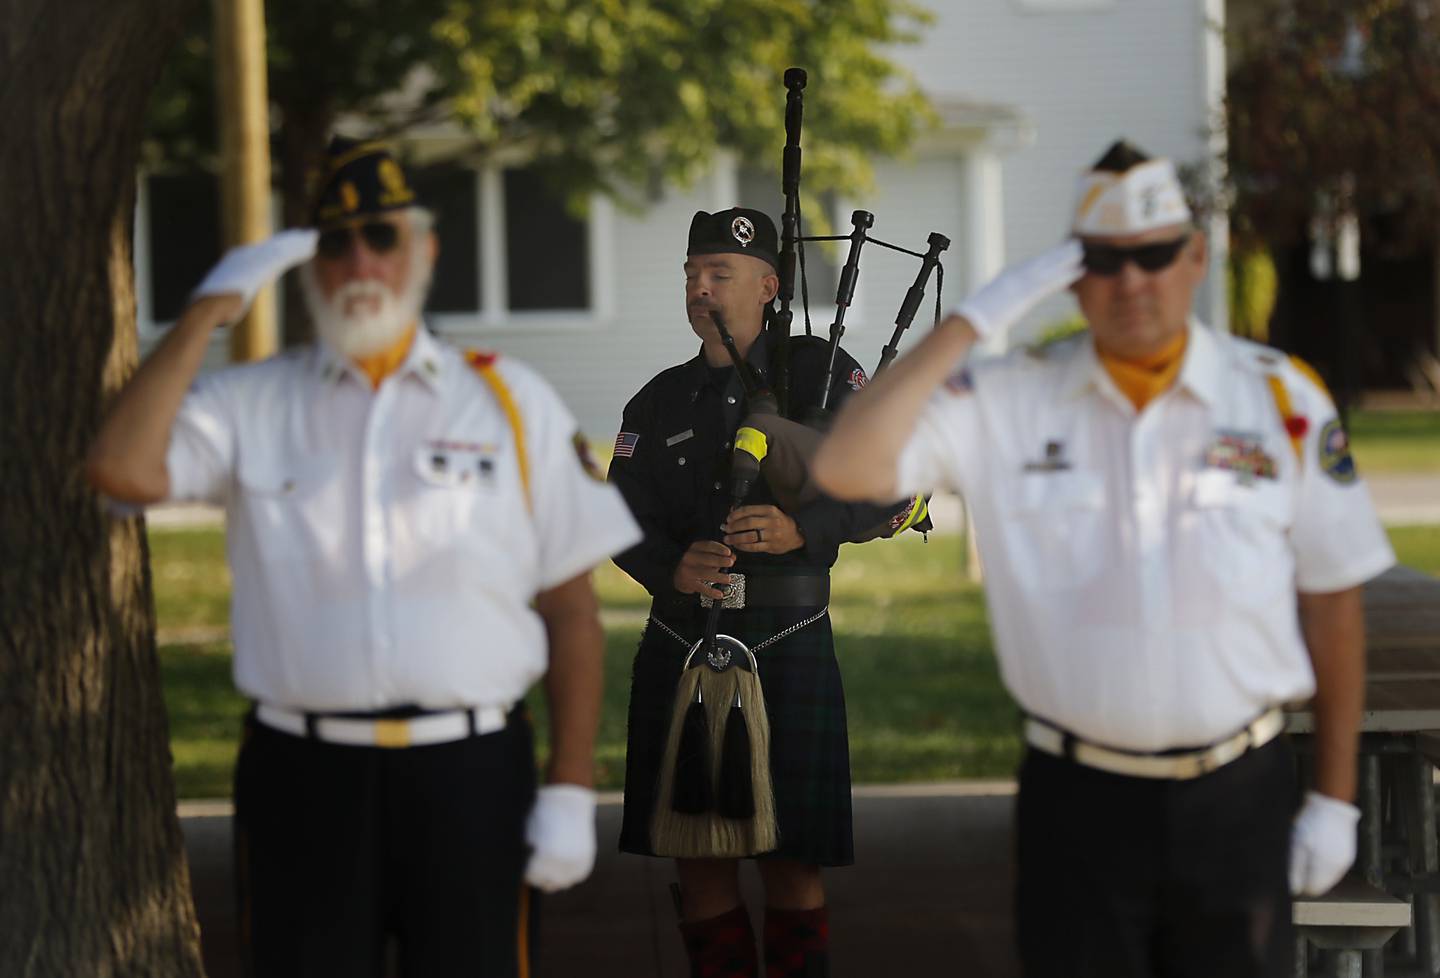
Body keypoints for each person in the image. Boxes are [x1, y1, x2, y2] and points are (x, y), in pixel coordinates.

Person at [813, 140, 1396, 978]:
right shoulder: (1010, 396)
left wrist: (1336, 800)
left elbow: (1334, 598)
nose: (1132, 282)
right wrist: (978, 317)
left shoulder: (1278, 397)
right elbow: (846, 467)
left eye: (1154, 255)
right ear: (1073, 276)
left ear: (1195, 257)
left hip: (1238, 793)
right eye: (1104, 261)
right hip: (1077, 800)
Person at [86, 137, 640, 978]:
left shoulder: (507, 400)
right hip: (302, 779)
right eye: (335, 242)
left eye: (381, 235)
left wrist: (569, 785)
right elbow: (120, 468)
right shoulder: (254, 401)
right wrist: (205, 311)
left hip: (470, 775)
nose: (359, 262)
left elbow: (571, 611)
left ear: (424, 250)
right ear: (310, 262)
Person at [608, 207, 911, 978]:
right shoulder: (657, 401)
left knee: (791, 860)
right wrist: (664, 567)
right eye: (691, 275)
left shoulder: (821, 372)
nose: (700, 289)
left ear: (768, 285)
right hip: (681, 643)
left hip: (787, 640)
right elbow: (613, 516)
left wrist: (803, 529)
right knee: (697, 860)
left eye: (719, 275)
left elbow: (889, 486)